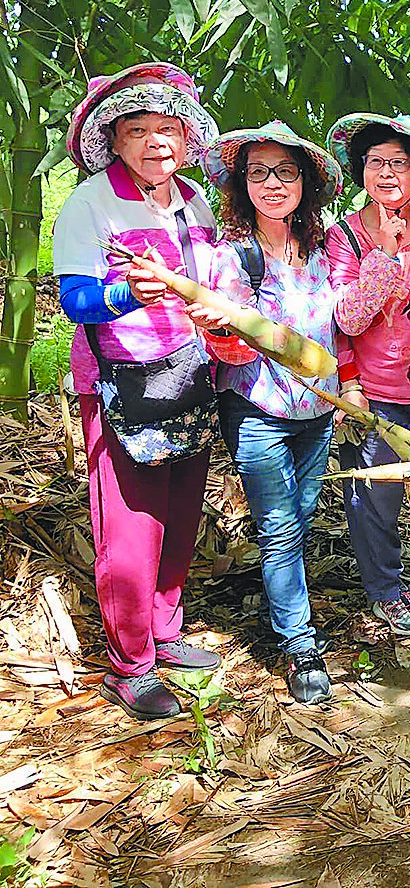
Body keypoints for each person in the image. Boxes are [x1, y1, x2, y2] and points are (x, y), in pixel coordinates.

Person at [53, 62, 223, 720]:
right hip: (122, 384)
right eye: (141, 130)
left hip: (186, 375)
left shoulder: (192, 197)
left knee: (179, 510)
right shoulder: (92, 202)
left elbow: (209, 281)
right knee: (129, 525)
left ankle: (165, 629)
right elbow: (76, 299)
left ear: (186, 138)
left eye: (169, 129)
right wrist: (126, 293)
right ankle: (131, 664)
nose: (157, 142)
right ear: (115, 140)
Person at [196, 121, 345, 704]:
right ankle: (300, 645)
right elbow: (223, 341)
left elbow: (342, 328)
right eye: (258, 173)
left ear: (306, 182)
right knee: (280, 527)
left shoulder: (326, 247)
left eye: (285, 172)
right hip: (257, 406)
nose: (272, 183)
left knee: (300, 517)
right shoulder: (234, 255)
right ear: (242, 186)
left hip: (319, 408)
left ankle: (283, 600)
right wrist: (224, 335)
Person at [325, 113, 410, 637]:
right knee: (376, 495)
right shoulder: (346, 237)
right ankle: (386, 589)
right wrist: (385, 256)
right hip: (375, 390)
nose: (387, 172)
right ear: (360, 171)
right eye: (376, 162)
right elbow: (346, 319)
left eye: (399, 162)